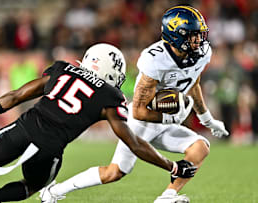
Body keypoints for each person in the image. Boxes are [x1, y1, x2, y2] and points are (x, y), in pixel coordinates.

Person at [0, 43, 197, 203]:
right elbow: (132, 143)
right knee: (31, 187)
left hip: (22, 129)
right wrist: (172, 166)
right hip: (50, 148)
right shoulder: (110, 96)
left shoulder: (63, 69)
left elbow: (15, 96)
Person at [40, 5, 229, 203]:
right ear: (177, 36)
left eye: (200, 34)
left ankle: (166, 197)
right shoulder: (155, 60)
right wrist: (169, 116)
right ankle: (53, 192)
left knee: (200, 147)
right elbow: (139, 111)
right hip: (142, 122)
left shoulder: (202, 53)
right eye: (193, 35)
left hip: (164, 123)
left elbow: (194, 83)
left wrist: (207, 119)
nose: (200, 40)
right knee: (115, 172)